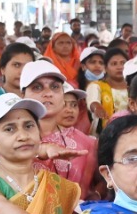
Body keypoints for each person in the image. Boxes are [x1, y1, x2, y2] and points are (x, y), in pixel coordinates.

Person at [22, 60, 98, 194]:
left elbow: (92, 189)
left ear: (63, 97)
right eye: (37, 87)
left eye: (55, 87)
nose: (48, 93)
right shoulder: (10, 139)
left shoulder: (87, 144)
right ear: (22, 96)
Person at [87, 47, 130, 124]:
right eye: (114, 64)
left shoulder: (133, 86)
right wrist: (97, 107)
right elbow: (92, 101)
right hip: (105, 129)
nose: (119, 67)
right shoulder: (96, 86)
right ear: (105, 68)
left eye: (123, 63)